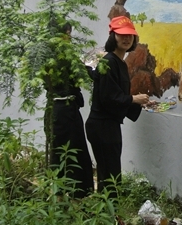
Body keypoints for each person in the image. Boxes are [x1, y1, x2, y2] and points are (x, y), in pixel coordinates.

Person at [85, 16, 149, 198]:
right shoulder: (109, 62)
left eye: (130, 35)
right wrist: (133, 99)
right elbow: (109, 98)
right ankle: (108, 212)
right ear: (113, 36)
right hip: (102, 126)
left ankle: (107, 210)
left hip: (108, 126)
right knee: (110, 176)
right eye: (122, 35)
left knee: (110, 174)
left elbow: (117, 96)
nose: (126, 38)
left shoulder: (119, 62)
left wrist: (139, 103)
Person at [49, 22, 94, 198]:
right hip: (65, 110)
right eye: (66, 33)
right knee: (71, 148)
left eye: (69, 33)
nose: (69, 37)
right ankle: (72, 191)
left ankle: (68, 191)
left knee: (67, 149)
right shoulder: (60, 57)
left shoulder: (57, 56)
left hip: (64, 108)